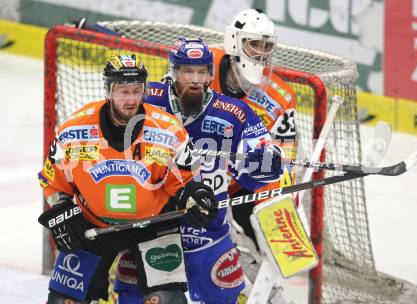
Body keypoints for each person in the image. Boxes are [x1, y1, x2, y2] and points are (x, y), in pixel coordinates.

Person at [112, 38, 284, 304]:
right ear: (173, 71)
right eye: (187, 71)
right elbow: (107, 134)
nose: (194, 79)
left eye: (201, 72)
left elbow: (258, 164)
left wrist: (266, 162)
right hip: (152, 231)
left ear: (209, 74)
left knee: (222, 296)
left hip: (208, 233)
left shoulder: (234, 113)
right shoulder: (147, 100)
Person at [37, 54, 218, 303]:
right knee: (63, 301)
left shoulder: (168, 130)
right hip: (93, 225)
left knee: (166, 300)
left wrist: (194, 198)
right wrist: (62, 211)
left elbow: (186, 182)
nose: (131, 99)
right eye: (123, 91)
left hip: (155, 225)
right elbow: (53, 182)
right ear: (108, 91)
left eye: (137, 91)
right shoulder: (74, 130)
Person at [209, 8, 298, 283]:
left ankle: (261, 274)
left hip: (240, 183)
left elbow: (284, 157)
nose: (261, 52)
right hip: (193, 175)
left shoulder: (281, 96)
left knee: (268, 217)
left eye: (266, 45)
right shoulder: (201, 66)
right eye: (254, 43)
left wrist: (277, 206)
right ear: (235, 41)